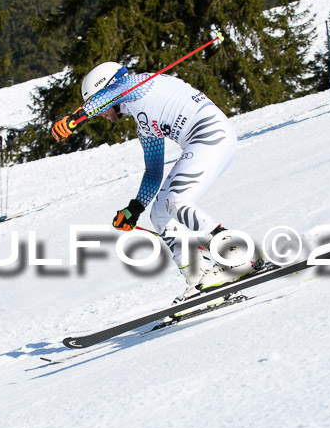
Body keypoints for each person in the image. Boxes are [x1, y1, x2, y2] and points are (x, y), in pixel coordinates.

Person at [51, 63, 256, 302]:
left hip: (211, 135)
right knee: (160, 213)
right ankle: (199, 278)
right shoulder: (143, 123)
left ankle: (236, 254)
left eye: (98, 108)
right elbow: (153, 171)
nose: (101, 115)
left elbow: (119, 89)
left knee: (176, 200)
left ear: (106, 91)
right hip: (201, 144)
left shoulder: (141, 84)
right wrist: (134, 208)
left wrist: (78, 117)